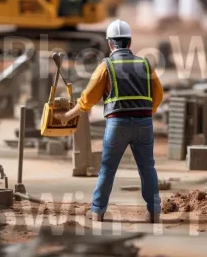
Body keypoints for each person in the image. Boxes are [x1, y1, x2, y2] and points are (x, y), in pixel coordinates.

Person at [55, 19, 164, 223]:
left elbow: (87, 100)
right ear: (129, 42)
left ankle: (97, 212)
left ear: (110, 44)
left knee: (107, 169)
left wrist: (67, 116)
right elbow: (158, 95)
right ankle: (155, 212)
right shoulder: (145, 64)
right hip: (144, 125)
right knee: (148, 168)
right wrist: (147, 114)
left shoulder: (106, 66)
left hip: (117, 125)